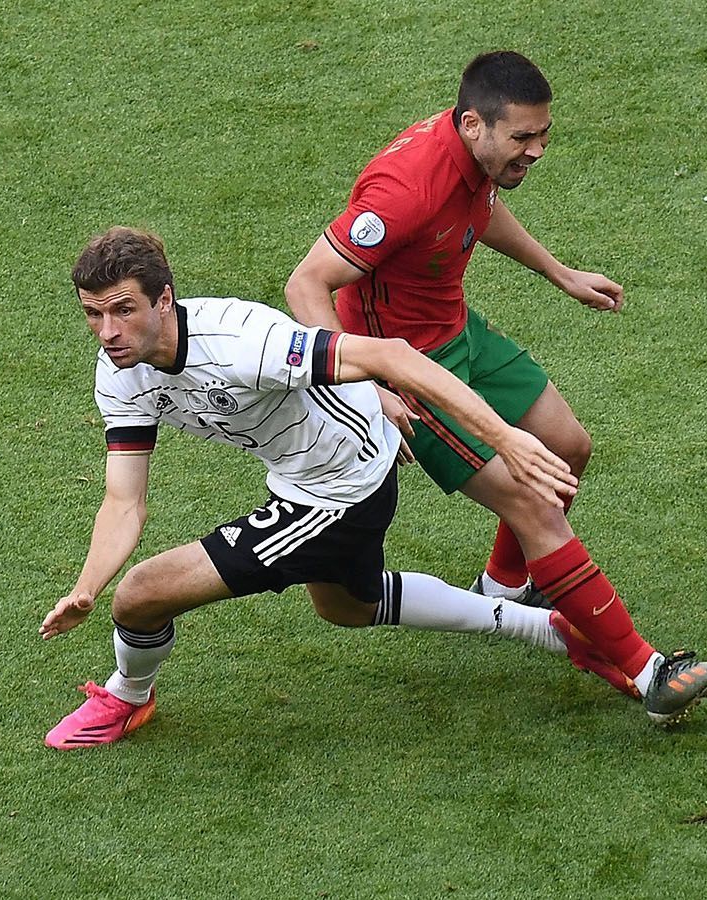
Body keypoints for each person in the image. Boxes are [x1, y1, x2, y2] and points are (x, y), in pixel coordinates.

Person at [39, 226, 645, 749]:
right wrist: (87, 588)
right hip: (310, 477)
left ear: (165, 300)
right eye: (93, 314)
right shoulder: (119, 374)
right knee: (347, 605)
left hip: (342, 489)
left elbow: (394, 356)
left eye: (122, 310)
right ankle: (554, 630)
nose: (106, 331)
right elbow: (124, 499)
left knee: (142, 595)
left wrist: (507, 440)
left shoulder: (244, 342)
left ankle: (126, 695)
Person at [284, 51, 707, 724]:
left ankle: (505, 585)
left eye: (543, 135)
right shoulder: (405, 187)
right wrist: (363, 383)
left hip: (461, 334)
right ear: (473, 126)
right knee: (535, 503)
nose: (537, 150)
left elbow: (477, 211)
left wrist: (562, 274)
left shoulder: (473, 158)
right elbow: (306, 284)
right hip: (411, 368)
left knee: (567, 448)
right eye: (523, 138)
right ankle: (648, 676)